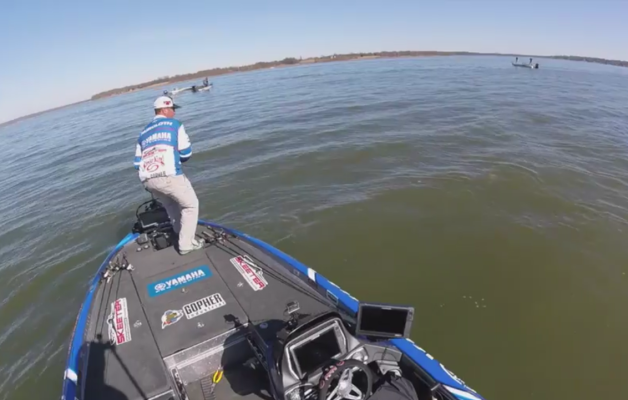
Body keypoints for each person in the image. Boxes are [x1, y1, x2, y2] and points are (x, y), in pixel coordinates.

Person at [134, 96, 204, 255]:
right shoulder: (175, 125)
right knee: (190, 205)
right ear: (165, 110)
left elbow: (137, 163)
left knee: (170, 205)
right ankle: (186, 244)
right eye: (172, 109)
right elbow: (186, 153)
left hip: (148, 180)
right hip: (169, 175)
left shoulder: (143, 133)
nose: (174, 112)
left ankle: (179, 232)